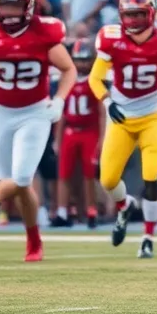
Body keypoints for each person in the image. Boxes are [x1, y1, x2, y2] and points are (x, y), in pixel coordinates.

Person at [0, 0, 77, 261]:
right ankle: (34, 240)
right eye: (5, 5)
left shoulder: (45, 32)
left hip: (35, 112)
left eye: (16, 6)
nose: (10, 12)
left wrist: (60, 99)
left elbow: (69, 69)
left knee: (23, 176)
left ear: (29, 6)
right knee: (17, 183)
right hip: (0, 113)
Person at [89, 0, 157, 259]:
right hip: (122, 117)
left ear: (151, 13)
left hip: (153, 117)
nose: (133, 21)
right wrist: (108, 101)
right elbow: (95, 78)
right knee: (108, 179)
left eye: (139, 14)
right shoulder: (110, 38)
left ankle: (148, 236)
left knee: (150, 176)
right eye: (129, 15)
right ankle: (125, 206)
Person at [52, 41, 103, 229]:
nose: (81, 64)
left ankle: (91, 210)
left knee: (90, 174)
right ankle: (62, 212)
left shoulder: (95, 81)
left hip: (90, 131)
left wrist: (102, 139)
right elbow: (62, 113)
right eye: (78, 60)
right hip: (70, 131)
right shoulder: (67, 79)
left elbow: (102, 112)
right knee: (64, 173)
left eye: (85, 60)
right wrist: (57, 139)